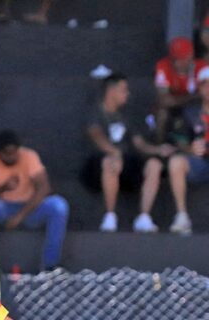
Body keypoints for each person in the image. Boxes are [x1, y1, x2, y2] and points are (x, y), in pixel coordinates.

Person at [81, 73, 175, 233]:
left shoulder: (126, 116)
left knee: (154, 165)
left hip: (125, 162)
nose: (127, 94)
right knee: (111, 161)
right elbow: (96, 135)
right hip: (98, 165)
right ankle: (110, 215)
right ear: (111, 91)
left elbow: (139, 143)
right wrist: (114, 151)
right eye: (124, 90)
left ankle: (144, 217)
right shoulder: (95, 112)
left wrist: (158, 149)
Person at [0, 130, 69, 270]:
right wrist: (3, 188)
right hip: (3, 208)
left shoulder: (29, 156)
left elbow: (44, 188)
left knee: (58, 205)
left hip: (29, 208)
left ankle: (50, 265)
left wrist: (20, 216)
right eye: (8, 153)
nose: (12, 156)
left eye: (15, 152)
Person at [166, 65, 209, 235]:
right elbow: (179, 141)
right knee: (176, 161)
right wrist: (190, 148)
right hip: (199, 163)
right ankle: (182, 216)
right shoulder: (190, 112)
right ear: (199, 88)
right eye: (205, 84)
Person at [154, 37, 207, 141]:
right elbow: (164, 101)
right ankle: (160, 148)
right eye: (174, 59)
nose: (177, 63)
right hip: (174, 109)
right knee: (161, 114)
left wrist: (177, 100)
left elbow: (206, 95)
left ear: (190, 56)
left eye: (182, 59)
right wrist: (194, 96)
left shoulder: (202, 67)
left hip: (196, 108)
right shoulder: (163, 65)